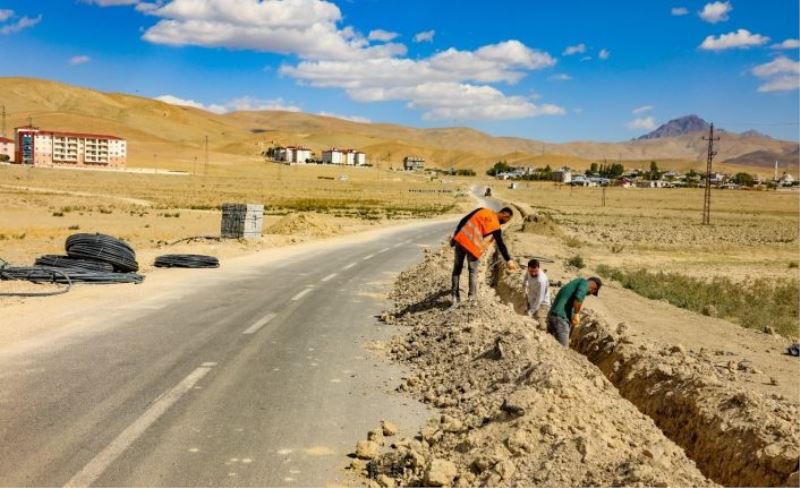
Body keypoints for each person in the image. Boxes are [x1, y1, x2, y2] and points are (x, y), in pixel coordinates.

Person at [450, 206, 517, 303]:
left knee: (457, 269)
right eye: (506, 220)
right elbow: (500, 244)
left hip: (461, 240)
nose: (505, 223)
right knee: (473, 271)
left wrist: (455, 237)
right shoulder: (496, 226)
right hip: (473, 247)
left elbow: (463, 220)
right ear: (505, 215)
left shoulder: (481, 210)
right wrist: (508, 260)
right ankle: (472, 298)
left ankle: (454, 297)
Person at [547, 276, 602, 347]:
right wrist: (576, 314)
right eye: (593, 291)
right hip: (560, 319)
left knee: (552, 346)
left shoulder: (574, 283)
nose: (589, 293)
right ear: (594, 287)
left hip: (553, 316)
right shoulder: (584, 283)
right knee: (563, 349)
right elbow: (578, 298)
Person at [523, 259, 549, 330]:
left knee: (541, 325)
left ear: (539, 268)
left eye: (536, 271)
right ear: (528, 268)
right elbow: (526, 276)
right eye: (531, 271)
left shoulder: (541, 280)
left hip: (542, 304)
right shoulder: (529, 271)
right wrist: (524, 285)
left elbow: (539, 299)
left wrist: (531, 312)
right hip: (532, 298)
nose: (533, 274)